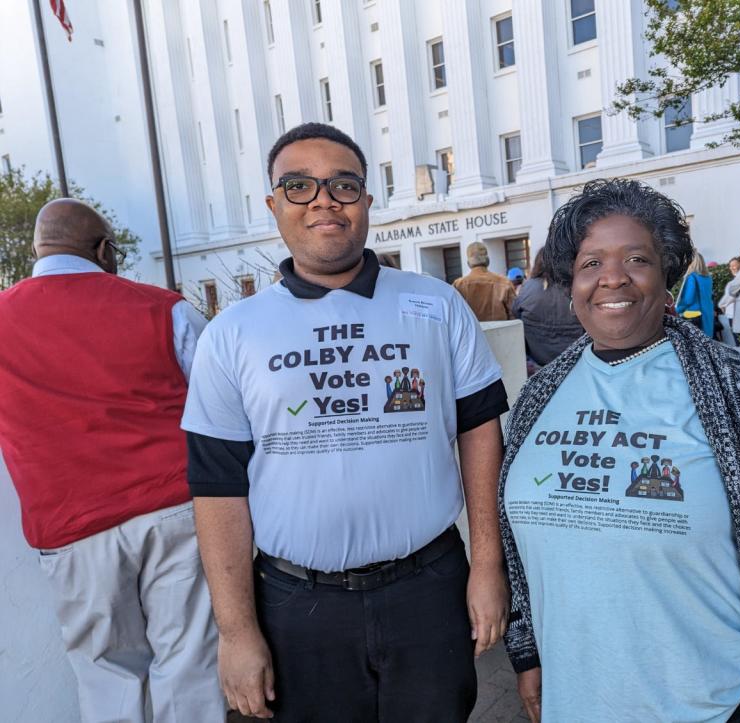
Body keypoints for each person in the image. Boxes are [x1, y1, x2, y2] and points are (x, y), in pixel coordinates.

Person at [496, 179, 740, 723]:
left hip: (715, 706)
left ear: (667, 275)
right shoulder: (538, 396)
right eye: (590, 263)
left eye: (636, 259)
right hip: (576, 703)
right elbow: (524, 556)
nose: (613, 278)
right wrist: (527, 652)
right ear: (570, 283)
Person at [181, 122, 509, 721]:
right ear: (274, 204)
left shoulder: (436, 305)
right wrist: (235, 631)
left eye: (343, 185)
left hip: (428, 590)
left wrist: (487, 565)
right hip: (294, 608)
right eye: (300, 185)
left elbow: (480, 433)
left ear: (366, 200)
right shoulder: (231, 333)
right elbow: (217, 486)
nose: (324, 200)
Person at [0, 199, 223, 722]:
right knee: (190, 658)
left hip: (69, 524)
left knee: (105, 675)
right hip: (174, 507)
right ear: (102, 250)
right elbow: (220, 404)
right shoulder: (163, 307)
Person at [511, 248, 585, 372]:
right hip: (574, 360)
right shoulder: (574, 287)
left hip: (539, 361)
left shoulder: (527, 288)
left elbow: (515, 312)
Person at [452, 241, 517, 321]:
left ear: (468, 263)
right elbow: (514, 314)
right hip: (501, 331)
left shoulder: (458, 285)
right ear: (487, 261)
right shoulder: (504, 283)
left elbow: (453, 314)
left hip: (473, 332)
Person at [675, 251, 714, 338]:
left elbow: (688, 299)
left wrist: (677, 309)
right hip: (707, 313)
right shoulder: (708, 278)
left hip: (693, 313)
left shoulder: (691, 277)